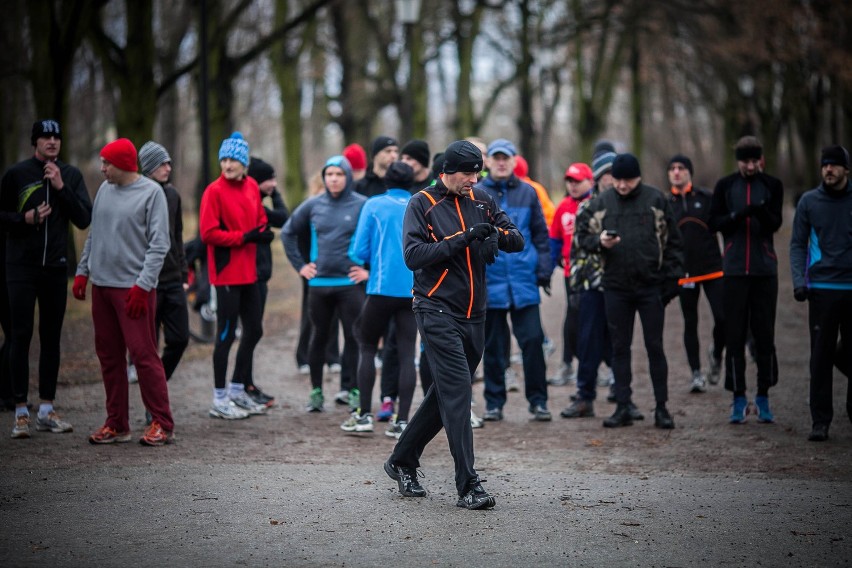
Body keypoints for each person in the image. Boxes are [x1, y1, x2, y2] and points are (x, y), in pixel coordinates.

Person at [384, 140, 524, 510]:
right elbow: (413, 256)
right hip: (435, 309)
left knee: (444, 395)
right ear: (447, 171)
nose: (474, 179)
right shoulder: (422, 204)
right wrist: (463, 238)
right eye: (468, 173)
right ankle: (468, 485)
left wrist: (495, 234)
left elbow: (516, 239)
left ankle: (401, 460)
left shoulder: (483, 201)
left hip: (476, 314)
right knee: (459, 392)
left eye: (478, 172)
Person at [74, 138, 174, 445]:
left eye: (107, 163)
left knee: (143, 355)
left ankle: (162, 422)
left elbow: (160, 245)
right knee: (109, 356)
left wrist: (143, 286)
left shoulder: (151, 193)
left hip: (133, 290)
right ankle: (117, 423)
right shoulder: (105, 190)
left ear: (124, 165)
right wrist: (82, 272)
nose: (102, 168)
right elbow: (95, 234)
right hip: (102, 287)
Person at [574, 153, 683, 429]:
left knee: (655, 346)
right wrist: (600, 242)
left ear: (639, 177)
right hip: (616, 287)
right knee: (620, 348)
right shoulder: (601, 203)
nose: (622, 185)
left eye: (628, 180)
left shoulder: (656, 200)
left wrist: (669, 284)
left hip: (650, 287)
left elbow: (673, 244)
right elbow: (582, 236)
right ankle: (622, 405)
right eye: (618, 180)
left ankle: (661, 407)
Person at [1, 119, 92, 439]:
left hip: (55, 267)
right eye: (46, 136)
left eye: (57, 136)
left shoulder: (70, 176)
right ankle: (20, 411)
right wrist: (23, 219)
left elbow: (84, 219)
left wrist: (60, 188)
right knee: (20, 335)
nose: (52, 141)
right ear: (35, 141)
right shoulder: (16, 175)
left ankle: (47, 409)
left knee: (52, 337)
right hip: (20, 267)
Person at [282, 155, 367, 412]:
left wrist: (368, 271)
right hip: (319, 285)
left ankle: (353, 390)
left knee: (354, 338)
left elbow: (380, 237)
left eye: (339, 174)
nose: (333, 179)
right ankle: (316, 392)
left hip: (349, 284)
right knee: (318, 337)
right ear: (323, 178)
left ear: (348, 177)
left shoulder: (362, 205)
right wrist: (301, 266)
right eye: (329, 174)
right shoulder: (313, 205)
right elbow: (287, 233)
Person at [476, 138, 552, 422]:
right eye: (496, 157)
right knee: (494, 348)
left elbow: (541, 235)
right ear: (489, 161)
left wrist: (543, 269)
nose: (501, 162)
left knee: (532, 342)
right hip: (491, 280)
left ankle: (538, 401)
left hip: (523, 282)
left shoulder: (529, 193)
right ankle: (494, 403)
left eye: (505, 157)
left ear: (513, 160)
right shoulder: (478, 193)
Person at [709, 136, 784, 424]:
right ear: (737, 160)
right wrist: (738, 215)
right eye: (745, 161)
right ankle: (738, 396)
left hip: (765, 270)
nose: (750, 166)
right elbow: (713, 222)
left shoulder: (772, 186)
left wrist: (760, 212)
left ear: (761, 160)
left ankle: (763, 394)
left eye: (754, 161)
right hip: (735, 270)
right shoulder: (725, 186)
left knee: (764, 334)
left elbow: (775, 223)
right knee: (734, 335)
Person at [341, 162, 417, 438]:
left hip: (380, 288)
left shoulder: (374, 205)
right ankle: (403, 421)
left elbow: (358, 249)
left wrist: (371, 261)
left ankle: (363, 416)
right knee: (408, 354)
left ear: (386, 179)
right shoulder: (419, 204)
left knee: (368, 347)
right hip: (412, 291)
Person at [199, 132, 271, 420]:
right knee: (226, 336)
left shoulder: (252, 185)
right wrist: (244, 237)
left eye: (233, 160)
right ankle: (219, 398)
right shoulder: (213, 191)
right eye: (224, 159)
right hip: (226, 275)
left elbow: (260, 219)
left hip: (249, 273)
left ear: (243, 163)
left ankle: (238, 391)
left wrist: (262, 231)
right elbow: (208, 233)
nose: (227, 165)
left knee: (254, 330)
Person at [790, 145, 852, 442]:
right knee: (820, 358)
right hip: (822, 290)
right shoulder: (809, 202)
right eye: (825, 165)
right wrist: (798, 281)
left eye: (835, 165)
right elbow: (797, 244)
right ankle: (821, 421)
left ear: (846, 170)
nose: (828, 169)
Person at [560, 153, 616, 418]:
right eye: (607, 176)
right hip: (591, 284)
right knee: (587, 340)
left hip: (622, 284)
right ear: (599, 179)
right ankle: (585, 396)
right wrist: (575, 287)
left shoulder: (632, 206)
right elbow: (577, 249)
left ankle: (623, 393)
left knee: (619, 340)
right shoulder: (587, 208)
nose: (612, 180)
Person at [666, 154, 725, 392]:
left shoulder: (706, 198)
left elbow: (722, 227)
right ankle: (696, 373)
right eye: (672, 168)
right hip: (685, 272)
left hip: (712, 269)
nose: (677, 172)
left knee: (723, 319)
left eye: (681, 167)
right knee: (690, 323)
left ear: (690, 171)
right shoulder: (665, 203)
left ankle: (717, 352)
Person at [136, 141, 189, 393]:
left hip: (173, 280)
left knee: (180, 339)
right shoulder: (138, 194)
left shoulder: (172, 195)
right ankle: (154, 398)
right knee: (148, 345)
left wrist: (184, 272)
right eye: (162, 163)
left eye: (169, 162)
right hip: (146, 281)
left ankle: (156, 386)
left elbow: (177, 235)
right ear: (148, 167)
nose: (168, 167)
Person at [243, 156, 290, 407]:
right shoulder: (253, 204)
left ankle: (246, 383)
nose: (273, 183)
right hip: (249, 276)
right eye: (269, 179)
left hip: (260, 275)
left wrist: (273, 190)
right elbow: (283, 218)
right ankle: (243, 385)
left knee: (252, 331)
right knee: (251, 331)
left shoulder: (260, 202)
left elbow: (283, 218)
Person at [548, 162, 593, 388]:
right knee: (573, 315)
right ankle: (567, 364)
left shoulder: (596, 204)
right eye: (570, 181)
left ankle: (595, 365)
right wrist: (549, 266)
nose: (573, 185)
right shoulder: (563, 206)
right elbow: (554, 239)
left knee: (593, 317)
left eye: (578, 181)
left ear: (590, 181)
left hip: (594, 272)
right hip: (570, 272)